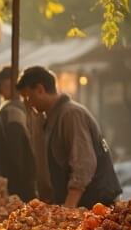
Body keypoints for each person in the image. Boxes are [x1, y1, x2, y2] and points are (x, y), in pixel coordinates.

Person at [17, 66, 121, 208]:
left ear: (40, 89)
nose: (27, 104)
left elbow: (83, 163)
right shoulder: (46, 118)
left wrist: (69, 206)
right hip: (72, 206)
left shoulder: (71, 115)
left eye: (28, 97)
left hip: (96, 205)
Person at [0, 66, 38, 202]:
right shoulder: (13, 110)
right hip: (13, 186)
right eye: (7, 85)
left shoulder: (9, 109)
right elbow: (18, 153)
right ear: (0, 89)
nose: (12, 88)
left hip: (3, 183)